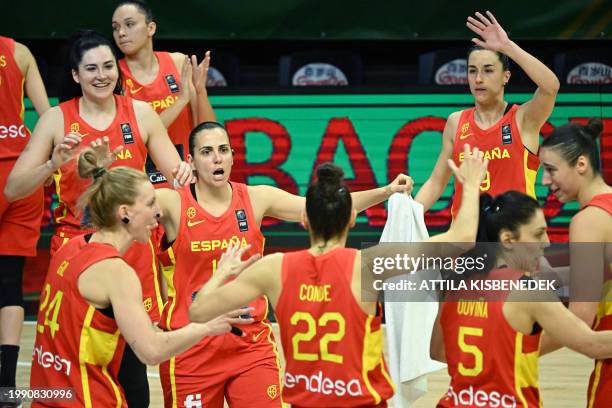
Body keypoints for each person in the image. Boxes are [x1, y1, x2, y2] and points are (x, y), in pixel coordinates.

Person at [186, 145, 488, 407]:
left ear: (304, 219)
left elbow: (198, 311)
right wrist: (471, 185)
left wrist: (220, 273)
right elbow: (461, 238)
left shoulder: (273, 269)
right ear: (352, 218)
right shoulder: (369, 266)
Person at [151, 121, 416, 407]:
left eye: (223, 150)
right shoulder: (171, 202)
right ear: (190, 160)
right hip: (192, 344)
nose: (217, 158)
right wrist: (157, 178)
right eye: (206, 152)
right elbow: (123, 201)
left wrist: (386, 191)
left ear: (232, 156)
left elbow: (322, 206)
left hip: (249, 346)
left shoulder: (256, 197)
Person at [3, 30, 191, 407]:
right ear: (76, 75)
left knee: (134, 360)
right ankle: (12, 392)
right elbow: (12, 189)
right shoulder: (57, 120)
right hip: (78, 252)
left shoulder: (140, 113)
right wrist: (51, 164)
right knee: (72, 359)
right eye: (91, 68)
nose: (102, 75)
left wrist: (184, 174)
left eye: (108, 66)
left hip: (132, 250)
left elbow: (174, 173)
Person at [28, 148, 251, 407]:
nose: (158, 212)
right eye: (150, 204)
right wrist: (208, 327)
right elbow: (152, 350)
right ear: (125, 212)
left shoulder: (69, 248)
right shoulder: (115, 272)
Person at [429, 190, 612, 408]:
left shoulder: (456, 285)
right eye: (538, 234)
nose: (546, 242)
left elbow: (438, 352)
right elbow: (592, 343)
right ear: (508, 240)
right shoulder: (527, 291)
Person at [415, 11, 559, 217]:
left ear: (506, 76)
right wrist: (409, 214)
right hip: (467, 239)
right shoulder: (456, 122)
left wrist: (508, 47)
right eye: (472, 71)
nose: (478, 79)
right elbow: (436, 182)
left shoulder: (523, 118)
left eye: (488, 70)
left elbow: (551, 87)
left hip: (516, 238)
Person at [538, 118, 611, 406]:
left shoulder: (588, 220)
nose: (545, 181)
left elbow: (581, 320)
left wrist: (522, 348)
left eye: (551, 170)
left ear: (581, 164)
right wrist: (554, 277)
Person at [112, 0, 216, 187]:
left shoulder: (177, 62)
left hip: (185, 179)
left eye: (129, 24)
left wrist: (201, 93)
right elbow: (137, 137)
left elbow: (207, 129)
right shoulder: (114, 76)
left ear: (150, 28)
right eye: (115, 27)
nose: (121, 33)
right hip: (138, 186)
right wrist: (180, 101)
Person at [0, 35, 50, 402]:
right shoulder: (18, 52)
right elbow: (48, 115)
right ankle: (5, 385)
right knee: (10, 282)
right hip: (21, 169)